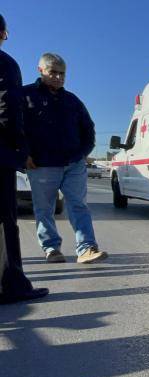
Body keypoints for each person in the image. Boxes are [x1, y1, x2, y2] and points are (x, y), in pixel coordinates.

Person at [22, 53, 106, 264]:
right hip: (41, 165)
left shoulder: (72, 100)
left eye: (62, 74)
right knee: (44, 209)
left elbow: (88, 129)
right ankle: (51, 249)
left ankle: (86, 248)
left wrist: (82, 154)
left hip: (73, 164)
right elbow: (13, 127)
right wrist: (23, 154)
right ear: (41, 70)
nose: (59, 78)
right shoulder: (25, 96)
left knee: (78, 205)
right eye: (54, 73)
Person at [0, 13, 49, 304]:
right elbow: (7, 109)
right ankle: (12, 285)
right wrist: (20, 149)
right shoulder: (5, 63)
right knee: (5, 219)